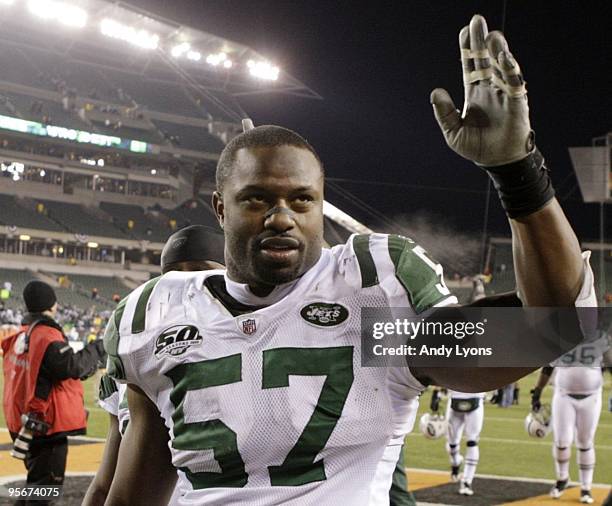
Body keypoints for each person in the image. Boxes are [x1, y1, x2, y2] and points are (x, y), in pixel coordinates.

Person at [103, 15, 596, 505]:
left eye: (301, 200)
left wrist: (517, 172)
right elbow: (131, 497)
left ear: (320, 205)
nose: (281, 218)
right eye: (256, 199)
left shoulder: (372, 297)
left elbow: (553, 324)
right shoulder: (158, 313)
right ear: (220, 208)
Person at [83, 225, 224, 506]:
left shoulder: (246, 351)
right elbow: (105, 483)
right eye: (173, 274)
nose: (186, 283)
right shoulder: (129, 364)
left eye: (199, 269)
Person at [1, 281, 106, 505]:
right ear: (52, 305)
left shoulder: (22, 334)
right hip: (44, 426)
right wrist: (98, 348)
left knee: (37, 484)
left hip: (23, 421)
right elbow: (72, 367)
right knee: (45, 490)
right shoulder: (46, 336)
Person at [531, 333, 608, 504]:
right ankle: (562, 478)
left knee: (585, 442)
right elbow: (547, 368)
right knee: (562, 441)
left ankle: (586, 487)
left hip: (592, 397)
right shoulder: (559, 338)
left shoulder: (600, 338)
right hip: (563, 395)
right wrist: (537, 392)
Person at [445, 390, 486, 496]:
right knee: (452, 443)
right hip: (455, 398)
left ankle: (467, 481)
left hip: (475, 398)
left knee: (472, 442)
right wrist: (437, 393)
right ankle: (455, 461)